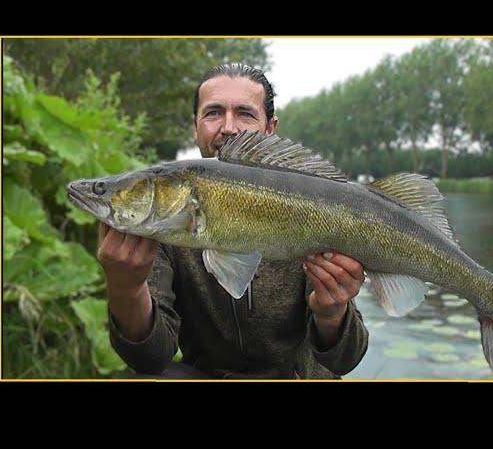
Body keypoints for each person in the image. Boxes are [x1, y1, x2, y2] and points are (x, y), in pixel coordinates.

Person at [98, 63, 369, 379]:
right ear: (196, 126)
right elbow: (148, 358)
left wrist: (333, 313)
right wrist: (126, 290)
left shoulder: (313, 204)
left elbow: (346, 359)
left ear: (270, 128)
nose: (228, 127)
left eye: (245, 114)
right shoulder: (163, 220)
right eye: (213, 113)